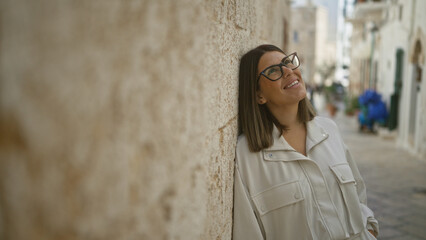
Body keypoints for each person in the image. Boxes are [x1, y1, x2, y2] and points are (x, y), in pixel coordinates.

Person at [233, 44, 379, 240]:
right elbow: (248, 232)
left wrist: (369, 228)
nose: (288, 71)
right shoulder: (246, 156)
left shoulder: (329, 130)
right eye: (273, 71)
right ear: (259, 95)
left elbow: (358, 193)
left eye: (287, 62)